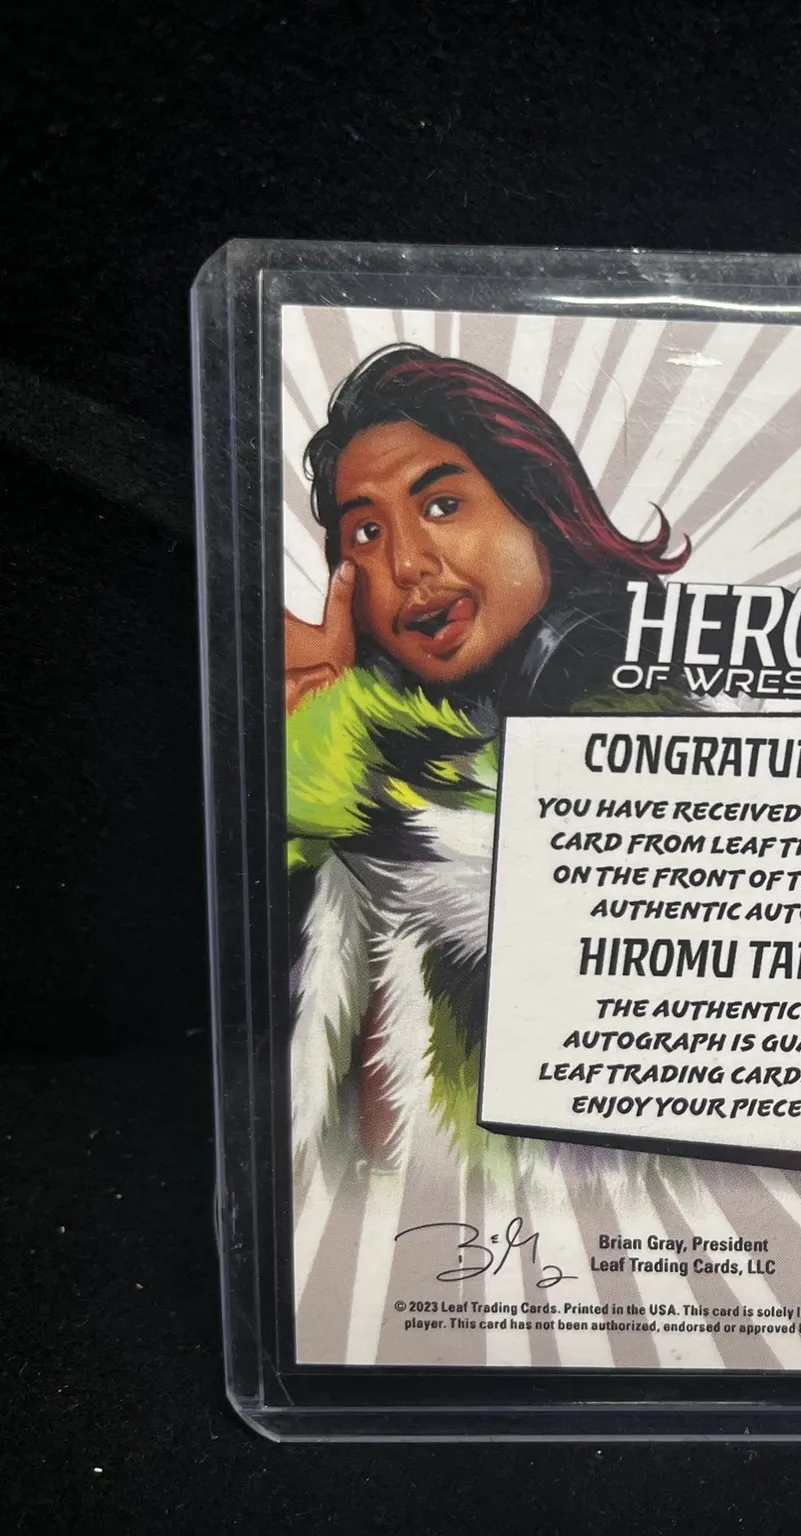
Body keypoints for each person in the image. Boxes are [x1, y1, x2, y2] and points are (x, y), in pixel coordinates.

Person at [283, 344, 689, 1180]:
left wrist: (328, 770)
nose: (406, 564)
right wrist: (302, 758)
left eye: (441, 504)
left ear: (538, 508)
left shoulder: (658, 762)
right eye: (366, 531)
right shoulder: (354, 762)